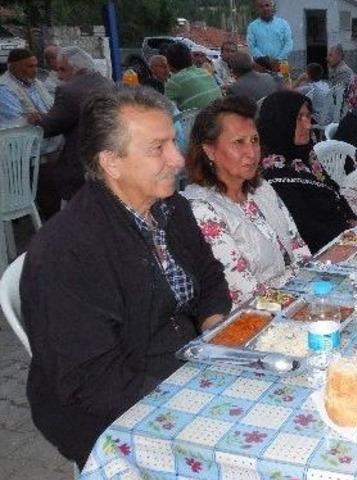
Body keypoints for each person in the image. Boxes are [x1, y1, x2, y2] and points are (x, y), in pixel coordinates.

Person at [21, 86, 231, 469]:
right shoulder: (68, 251)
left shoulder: (171, 208)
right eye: (158, 148)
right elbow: (93, 379)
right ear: (111, 162)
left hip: (184, 368)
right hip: (109, 410)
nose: (178, 158)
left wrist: (215, 331)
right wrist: (192, 400)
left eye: (173, 142)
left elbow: (210, 277)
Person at [183, 96, 310, 306]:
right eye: (238, 142)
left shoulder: (262, 189)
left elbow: (299, 248)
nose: (251, 153)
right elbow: (245, 294)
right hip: (255, 315)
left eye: (254, 140)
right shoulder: (202, 209)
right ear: (209, 150)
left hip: (296, 297)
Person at [257, 90, 357, 253]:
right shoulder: (273, 173)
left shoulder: (305, 156)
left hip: (343, 238)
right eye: (299, 118)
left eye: (308, 116)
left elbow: (333, 191)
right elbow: (307, 228)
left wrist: (353, 222)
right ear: (280, 121)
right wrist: (350, 237)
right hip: (321, 252)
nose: (308, 125)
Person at [28, 46, 112, 213]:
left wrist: (38, 120)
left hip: (80, 166)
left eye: (62, 70)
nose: (59, 76)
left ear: (77, 69)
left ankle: (54, 223)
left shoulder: (69, 91)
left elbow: (50, 127)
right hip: (107, 160)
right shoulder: (107, 83)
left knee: (40, 175)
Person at [0, 48, 53, 126]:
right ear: (13, 67)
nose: (35, 71)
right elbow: (15, 121)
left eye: (36, 66)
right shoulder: (4, 89)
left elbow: (51, 105)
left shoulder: (36, 83)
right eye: (30, 66)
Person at [164, 42, 222, 111]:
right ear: (191, 58)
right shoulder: (203, 72)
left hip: (202, 117)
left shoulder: (175, 82)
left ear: (169, 63)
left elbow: (165, 110)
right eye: (196, 55)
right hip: (220, 114)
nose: (199, 59)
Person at [247, 0, 293, 69]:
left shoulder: (283, 24)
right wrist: (266, 60)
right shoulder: (252, 27)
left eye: (267, 5)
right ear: (258, 10)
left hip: (281, 64)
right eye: (261, 7)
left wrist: (278, 59)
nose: (265, 9)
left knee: (283, 77)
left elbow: (288, 43)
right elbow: (251, 46)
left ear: (272, 7)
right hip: (261, 66)